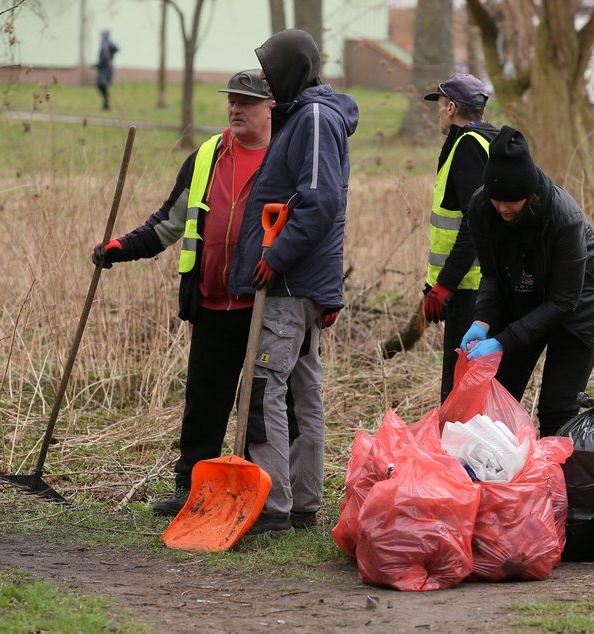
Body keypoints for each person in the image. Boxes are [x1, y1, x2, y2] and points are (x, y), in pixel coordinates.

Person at [90, 69, 274, 516]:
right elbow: (169, 222)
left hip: (263, 307)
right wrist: (122, 247)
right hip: (211, 301)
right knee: (203, 403)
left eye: (246, 102)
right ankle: (191, 487)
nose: (235, 108)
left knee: (263, 408)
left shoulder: (283, 157)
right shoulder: (207, 156)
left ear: (272, 107)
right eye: (231, 100)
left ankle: (262, 494)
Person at [227, 29, 358, 535]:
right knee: (304, 390)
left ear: (292, 68)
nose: (262, 75)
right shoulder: (303, 115)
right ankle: (301, 501)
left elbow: (320, 198)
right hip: (300, 281)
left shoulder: (317, 118)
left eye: (268, 66)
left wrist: (276, 257)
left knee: (265, 389)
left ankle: (274, 505)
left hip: (290, 283)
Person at [460, 125, 594, 438]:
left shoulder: (563, 218)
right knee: (499, 395)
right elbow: (492, 275)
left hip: (581, 303)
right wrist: (482, 321)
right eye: (496, 199)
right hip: (525, 293)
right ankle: (501, 477)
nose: (503, 208)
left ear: (529, 194)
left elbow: (563, 302)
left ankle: (556, 483)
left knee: (557, 406)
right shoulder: (481, 208)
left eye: (511, 201)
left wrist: (504, 339)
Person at [421, 73, 500, 403]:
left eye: (439, 105)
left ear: (451, 107)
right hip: (474, 285)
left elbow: (473, 222)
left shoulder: (467, 146)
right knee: (469, 382)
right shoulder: (485, 141)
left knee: (459, 388)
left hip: (468, 287)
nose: (438, 112)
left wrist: (445, 284)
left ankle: (456, 453)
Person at [95, 30, 118, 110]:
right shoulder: (102, 47)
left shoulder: (109, 46)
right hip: (101, 70)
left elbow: (116, 48)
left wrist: (108, 44)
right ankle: (105, 104)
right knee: (100, 86)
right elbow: (102, 59)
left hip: (106, 71)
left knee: (103, 86)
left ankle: (106, 105)